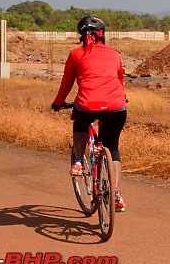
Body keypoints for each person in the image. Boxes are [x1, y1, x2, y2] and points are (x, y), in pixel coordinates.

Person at [51, 15, 128, 212]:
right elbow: (119, 81)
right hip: (117, 106)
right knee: (113, 147)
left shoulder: (76, 54)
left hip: (87, 104)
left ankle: (78, 161)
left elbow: (66, 83)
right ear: (103, 36)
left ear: (81, 36)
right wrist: (122, 99)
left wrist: (57, 103)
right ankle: (116, 192)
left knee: (80, 123)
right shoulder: (115, 54)